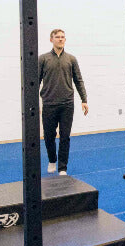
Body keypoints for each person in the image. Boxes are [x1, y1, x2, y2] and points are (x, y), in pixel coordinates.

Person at [38, 29, 88, 176]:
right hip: (49, 103)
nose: (60, 39)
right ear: (51, 40)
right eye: (57, 37)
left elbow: (78, 80)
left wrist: (84, 99)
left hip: (67, 104)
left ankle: (62, 168)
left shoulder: (71, 59)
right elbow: (35, 81)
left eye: (63, 37)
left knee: (65, 136)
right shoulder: (43, 59)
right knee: (48, 136)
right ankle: (52, 160)